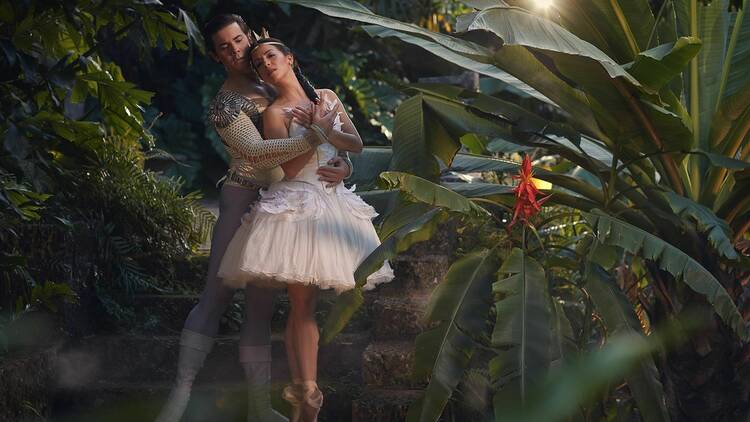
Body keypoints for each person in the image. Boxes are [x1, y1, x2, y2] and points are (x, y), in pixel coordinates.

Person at [154, 15, 352, 422]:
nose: (237, 51)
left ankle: (260, 409)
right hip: (244, 195)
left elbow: (333, 132)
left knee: (261, 307)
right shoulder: (226, 103)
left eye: (239, 40)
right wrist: (317, 134)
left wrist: (343, 162)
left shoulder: (275, 74)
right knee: (216, 294)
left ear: (251, 38)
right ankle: (179, 398)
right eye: (225, 47)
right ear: (215, 56)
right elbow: (261, 154)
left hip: (283, 202)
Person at [217, 33, 394, 422]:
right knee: (301, 303)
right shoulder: (275, 113)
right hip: (295, 202)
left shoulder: (326, 96)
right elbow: (290, 170)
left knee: (307, 305)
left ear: (290, 57)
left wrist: (335, 147)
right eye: (259, 63)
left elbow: (356, 143)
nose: (265, 65)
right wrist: (313, 135)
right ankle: (308, 393)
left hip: (332, 203)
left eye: (271, 56)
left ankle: (307, 396)